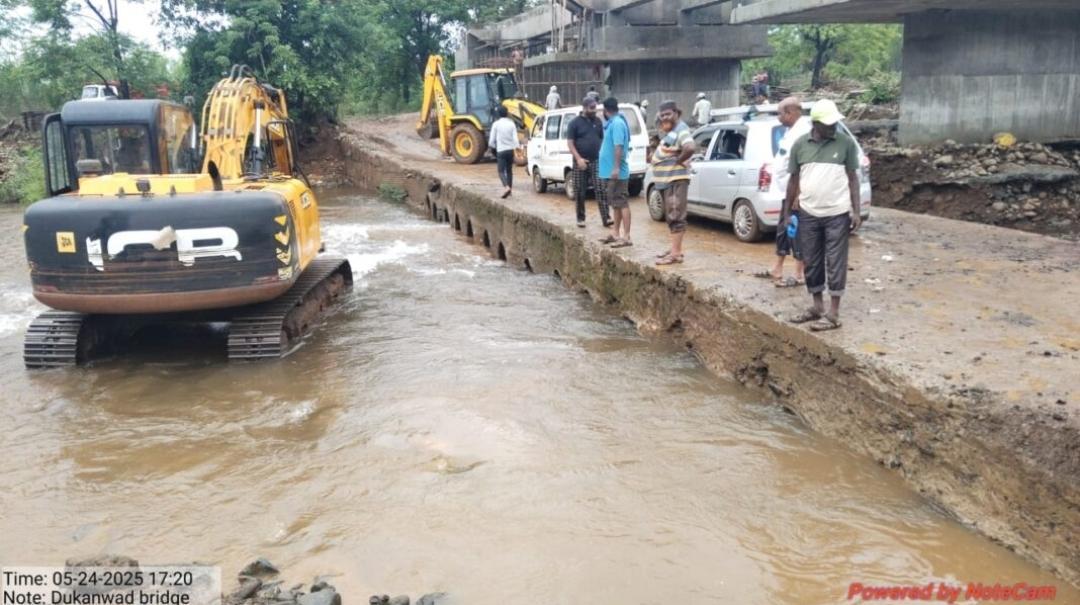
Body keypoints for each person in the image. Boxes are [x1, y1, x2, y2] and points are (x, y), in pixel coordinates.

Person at [785, 99, 861, 331]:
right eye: (828, 124)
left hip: (837, 213)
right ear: (815, 124)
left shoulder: (845, 144)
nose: (833, 127)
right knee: (812, 260)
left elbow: (853, 178)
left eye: (835, 123)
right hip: (808, 213)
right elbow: (793, 180)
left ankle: (833, 313)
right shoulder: (800, 145)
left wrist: (855, 210)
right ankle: (817, 306)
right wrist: (788, 212)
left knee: (836, 261)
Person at [754, 96, 809, 287]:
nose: (778, 117)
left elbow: (803, 166)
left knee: (796, 231)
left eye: (780, 113)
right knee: (783, 230)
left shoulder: (803, 132)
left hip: (796, 194)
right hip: (786, 191)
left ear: (791, 112)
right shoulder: (790, 132)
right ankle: (777, 268)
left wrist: (799, 194)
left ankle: (799, 274)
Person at [651, 100, 695, 265]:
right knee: (671, 215)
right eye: (662, 115)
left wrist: (679, 160)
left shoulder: (681, 129)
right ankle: (675, 249)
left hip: (675, 180)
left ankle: (676, 254)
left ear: (677, 113)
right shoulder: (673, 131)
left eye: (668, 114)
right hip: (668, 180)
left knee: (676, 215)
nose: (665, 118)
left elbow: (690, 147)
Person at [565, 96, 612, 228]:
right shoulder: (574, 123)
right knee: (579, 190)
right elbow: (570, 143)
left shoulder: (597, 121)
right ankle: (580, 218)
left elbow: (601, 139)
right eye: (592, 108)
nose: (594, 110)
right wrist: (578, 159)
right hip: (580, 162)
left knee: (601, 188)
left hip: (596, 160)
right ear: (584, 108)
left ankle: (606, 218)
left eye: (595, 107)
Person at [597, 97, 632, 247]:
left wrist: (616, 167)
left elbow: (618, 146)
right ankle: (616, 233)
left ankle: (627, 237)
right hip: (611, 172)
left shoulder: (617, 123)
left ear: (605, 110)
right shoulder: (613, 123)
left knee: (622, 203)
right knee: (616, 204)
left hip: (617, 172)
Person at [488, 106, 519, 199]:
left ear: (498, 114)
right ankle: (510, 190)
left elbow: (491, 141)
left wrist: (494, 147)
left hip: (501, 150)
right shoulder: (511, 124)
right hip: (510, 150)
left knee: (501, 171)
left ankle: (506, 187)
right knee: (509, 171)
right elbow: (515, 139)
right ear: (507, 113)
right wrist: (516, 148)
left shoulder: (496, 124)